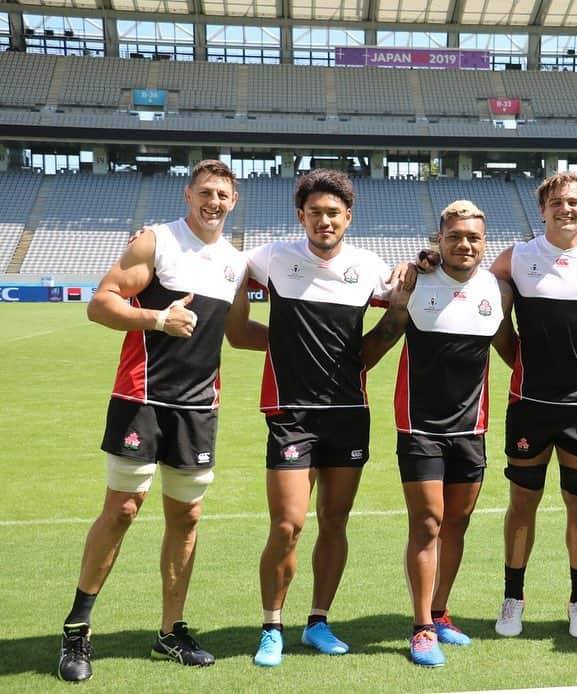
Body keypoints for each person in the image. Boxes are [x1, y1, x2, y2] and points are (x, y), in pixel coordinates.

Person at [58, 159, 267, 683]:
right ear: (188, 194)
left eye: (223, 194)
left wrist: (308, 341)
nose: (213, 201)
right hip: (142, 398)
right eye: (205, 192)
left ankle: (170, 632)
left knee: (187, 519)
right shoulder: (157, 242)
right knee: (123, 509)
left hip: (199, 408)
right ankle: (78, 630)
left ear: (234, 201)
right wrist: (156, 317)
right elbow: (100, 304)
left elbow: (239, 334)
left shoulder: (236, 264)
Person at [248, 169, 409, 667]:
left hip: (347, 413)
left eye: (333, 213)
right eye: (315, 212)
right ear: (302, 216)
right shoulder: (270, 257)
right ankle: (272, 625)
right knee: (288, 524)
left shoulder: (368, 265)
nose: (324, 220)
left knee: (334, 521)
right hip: (291, 414)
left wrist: (406, 284)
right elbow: (221, 281)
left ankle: (319, 620)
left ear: (348, 218)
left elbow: (398, 309)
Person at [362, 200, 513, 667]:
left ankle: (442, 611)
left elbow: (511, 349)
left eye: (472, 238)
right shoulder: (416, 281)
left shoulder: (499, 290)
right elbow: (380, 332)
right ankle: (422, 626)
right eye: (454, 237)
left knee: (457, 524)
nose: (463, 244)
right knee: (427, 522)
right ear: (439, 240)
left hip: (472, 427)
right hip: (420, 426)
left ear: (483, 244)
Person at [490, 171, 577, 639]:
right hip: (528, 404)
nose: (565, 209)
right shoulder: (516, 259)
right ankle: (512, 598)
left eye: (574, 202)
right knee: (522, 502)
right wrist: (517, 360)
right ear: (543, 209)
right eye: (556, 202)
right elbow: (489, 314)